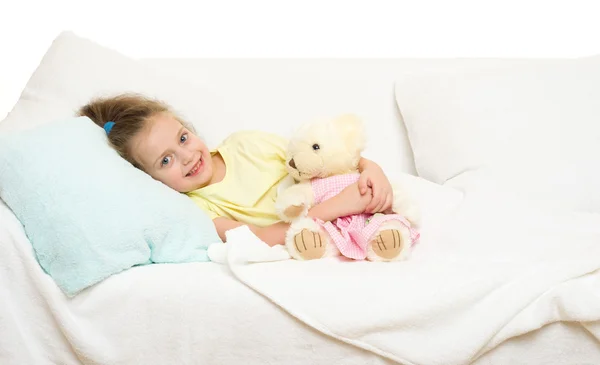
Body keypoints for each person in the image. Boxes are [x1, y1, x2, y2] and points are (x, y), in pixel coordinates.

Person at [79, 93, 394, 246]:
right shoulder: (198, 209)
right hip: (327, 226)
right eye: (166, 160)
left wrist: (371, 167)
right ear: (148, 179)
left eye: (183, 138)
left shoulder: (246, 144)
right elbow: (261, 237)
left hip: (355, 194)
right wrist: (337, 207)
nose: (187, 156)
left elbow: (317, 157)